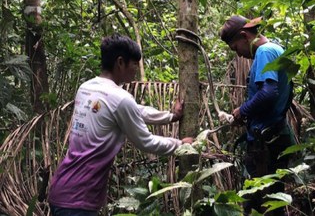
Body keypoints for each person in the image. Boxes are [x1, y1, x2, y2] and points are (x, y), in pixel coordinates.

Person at [48, 33, 193, 215]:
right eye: (134, 64)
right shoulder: (120, 98)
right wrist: (181, 145)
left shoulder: (86, 87)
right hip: (79, 200)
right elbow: (145, 141)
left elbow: (134, 111)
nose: (135, 70)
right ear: (120, 62)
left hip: (62, 190)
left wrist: (170, 116)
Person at [220, 15, 295, 216]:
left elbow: (268, 93)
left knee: (260, 205)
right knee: (271, 202)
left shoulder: (264, 52)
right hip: (271, 136)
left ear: (244, 36)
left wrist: (242, 110)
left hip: (265, 145)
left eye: (236, 48)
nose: (240, 55)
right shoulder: (276, 49)